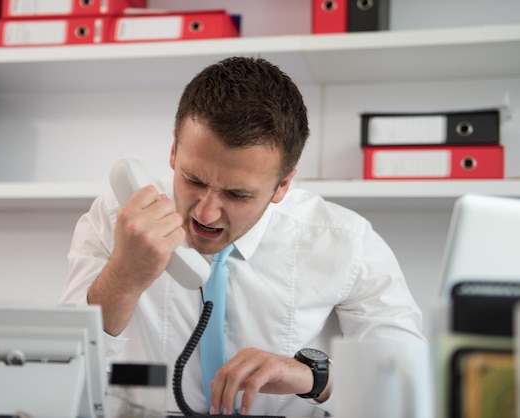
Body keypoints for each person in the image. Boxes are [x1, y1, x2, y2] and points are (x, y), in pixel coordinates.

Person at [60, 56, 425, 416]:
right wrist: (125, 275)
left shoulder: (346, 242)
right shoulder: (120, 215)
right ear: (173, 150)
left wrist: (313, 378)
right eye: (193, 180)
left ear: (282, 185)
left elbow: (409, 390)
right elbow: (60, 371)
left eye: (237, 195)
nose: (205, 212)